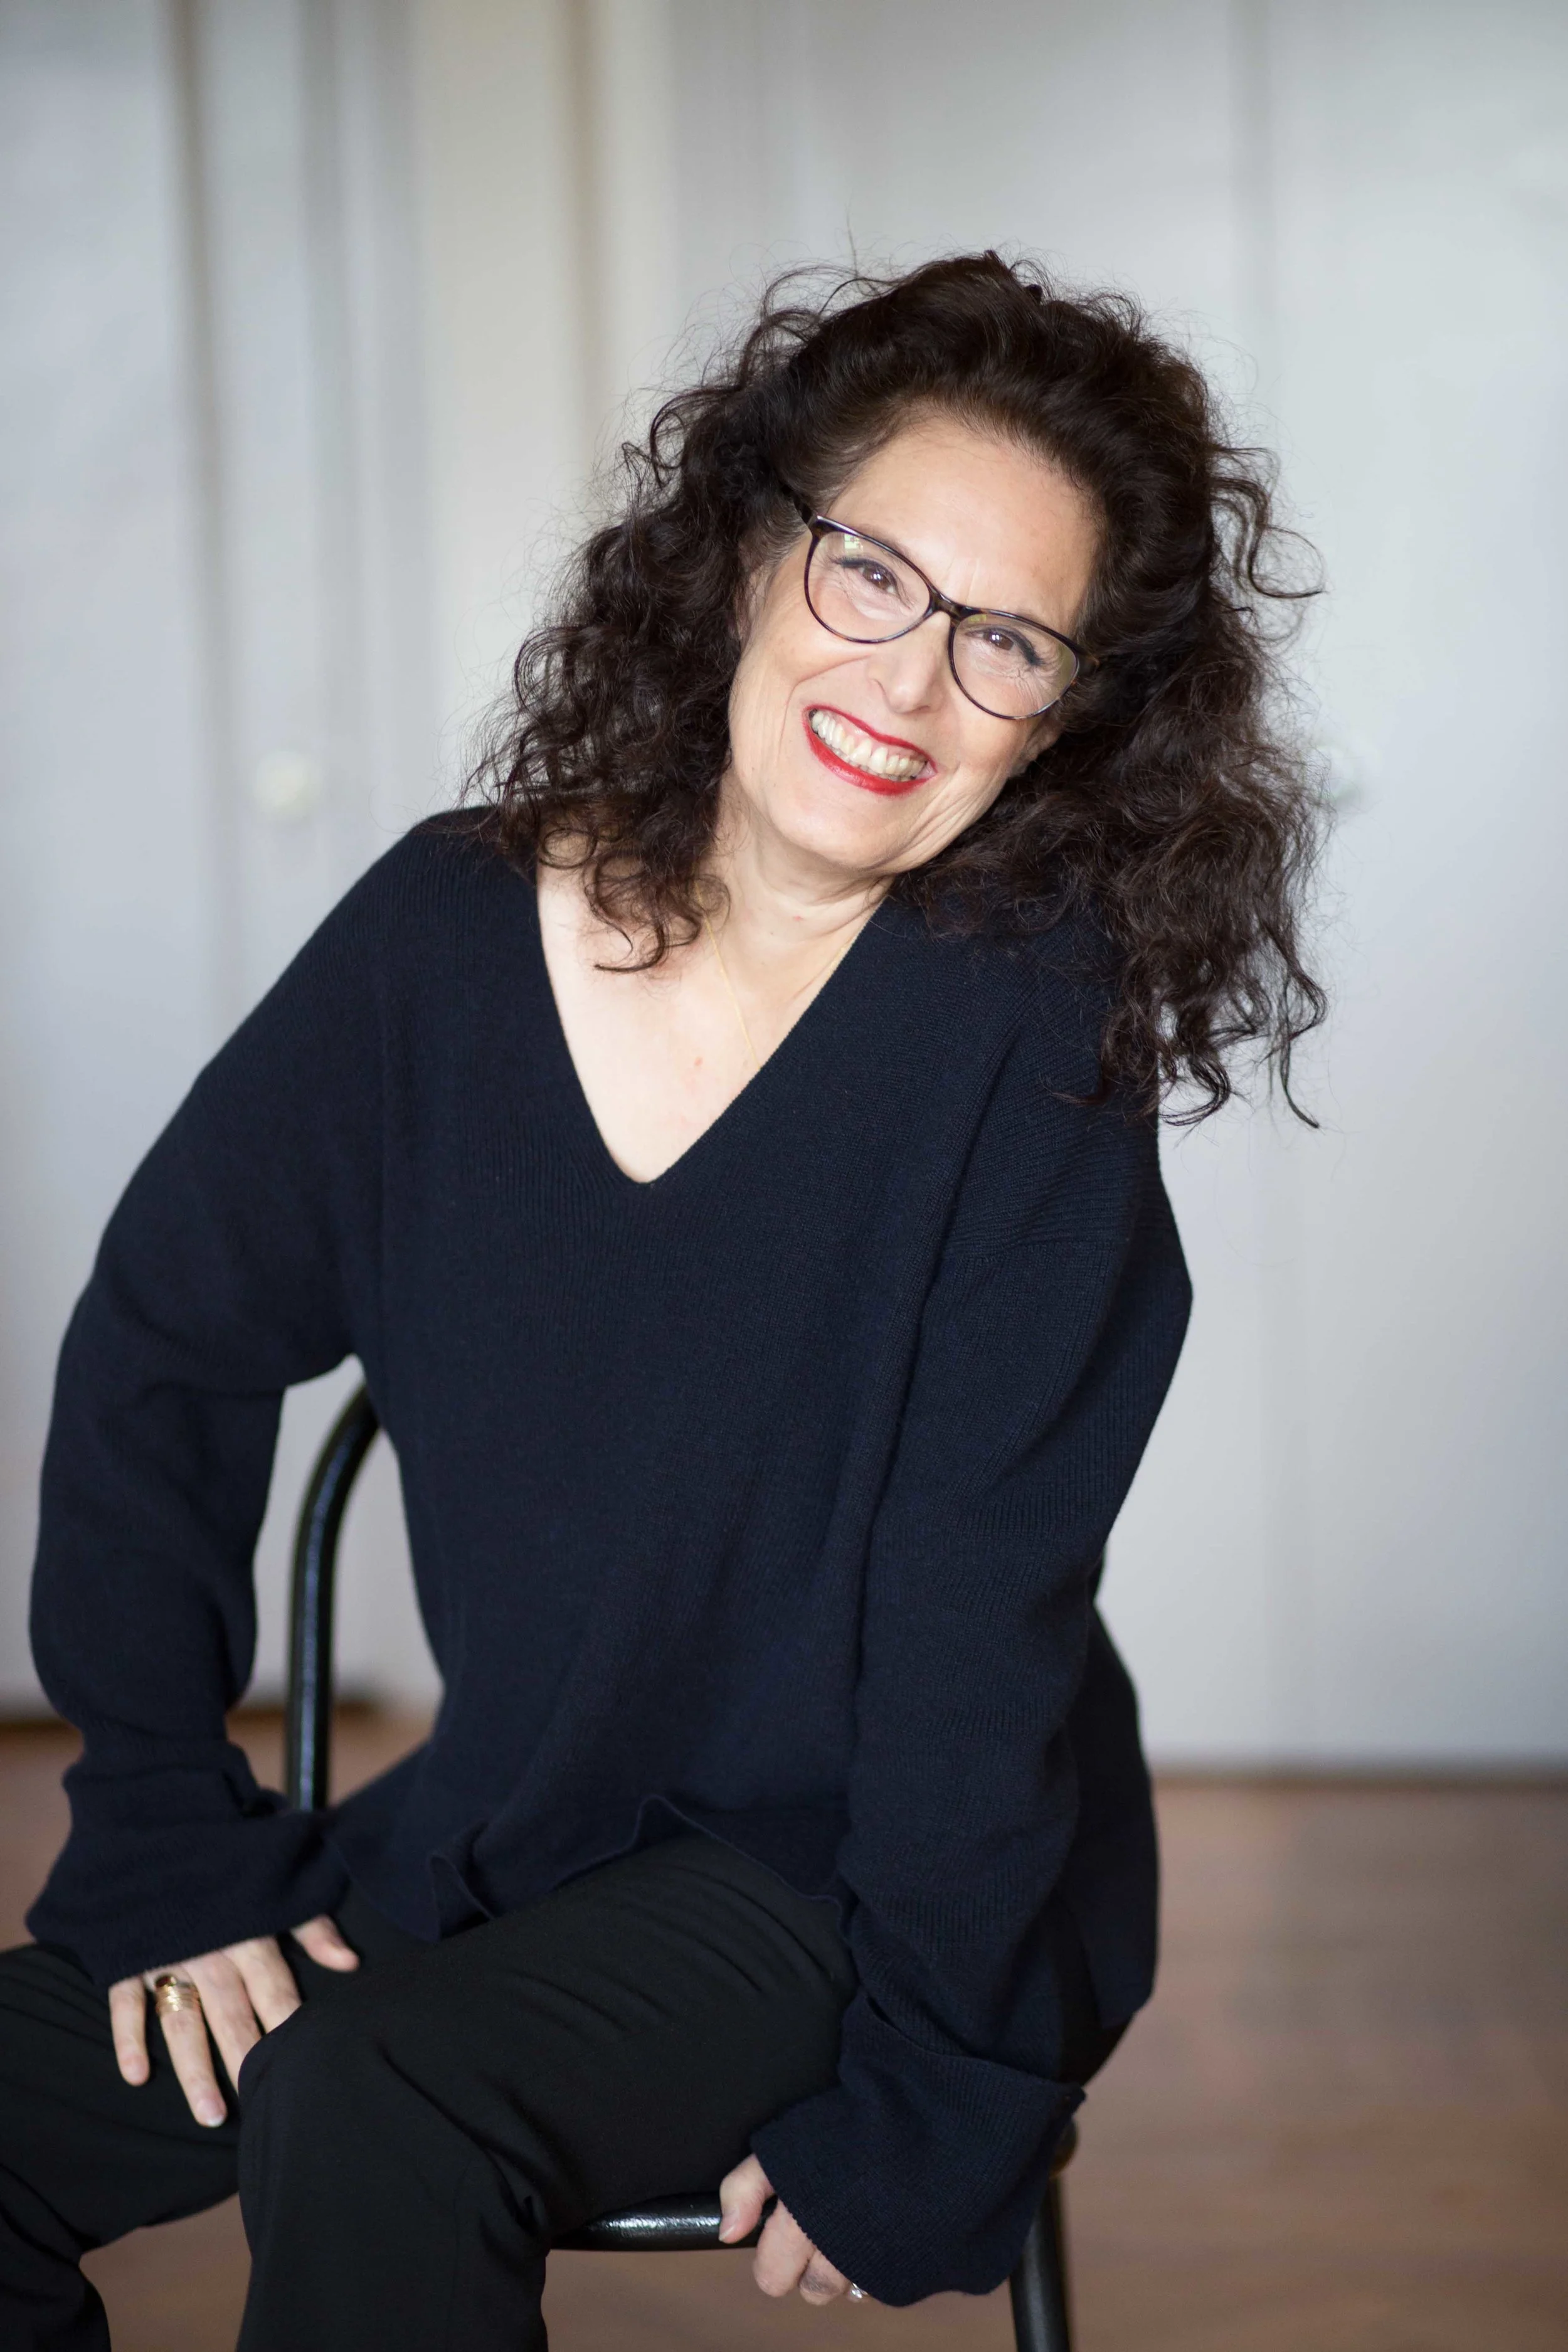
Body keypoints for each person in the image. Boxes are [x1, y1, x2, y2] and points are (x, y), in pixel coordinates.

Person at [1, 252, 1322, 2350]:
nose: (907, 682)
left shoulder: (1026, 1044)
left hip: (848, 1875)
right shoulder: (441, 937)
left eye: (1003, 641)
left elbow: (976, 1638)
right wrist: (163, 1818)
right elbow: (165, 1344)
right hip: (514, 1814)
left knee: (377, 2093)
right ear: (745, 553)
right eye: (871, 573)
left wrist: (943, 2068)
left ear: (1066, 718)